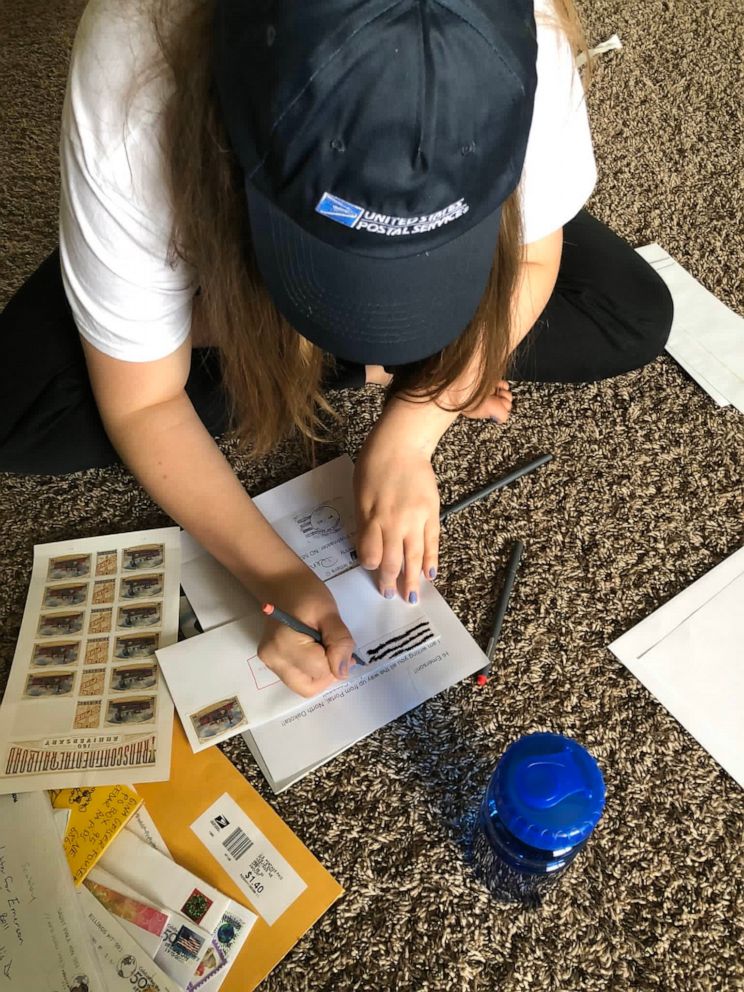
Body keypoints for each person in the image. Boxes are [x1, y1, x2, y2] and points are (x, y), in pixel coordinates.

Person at [0, 0, 672, 697]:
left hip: (272, 287)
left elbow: (534, 259)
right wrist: (274, 575)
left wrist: (414, 428)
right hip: (211, 246)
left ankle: (346, 352)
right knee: (19, 414)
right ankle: (337, 349)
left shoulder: (525, 31)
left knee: (630, 313)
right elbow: (141, 402)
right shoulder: (134, 77)